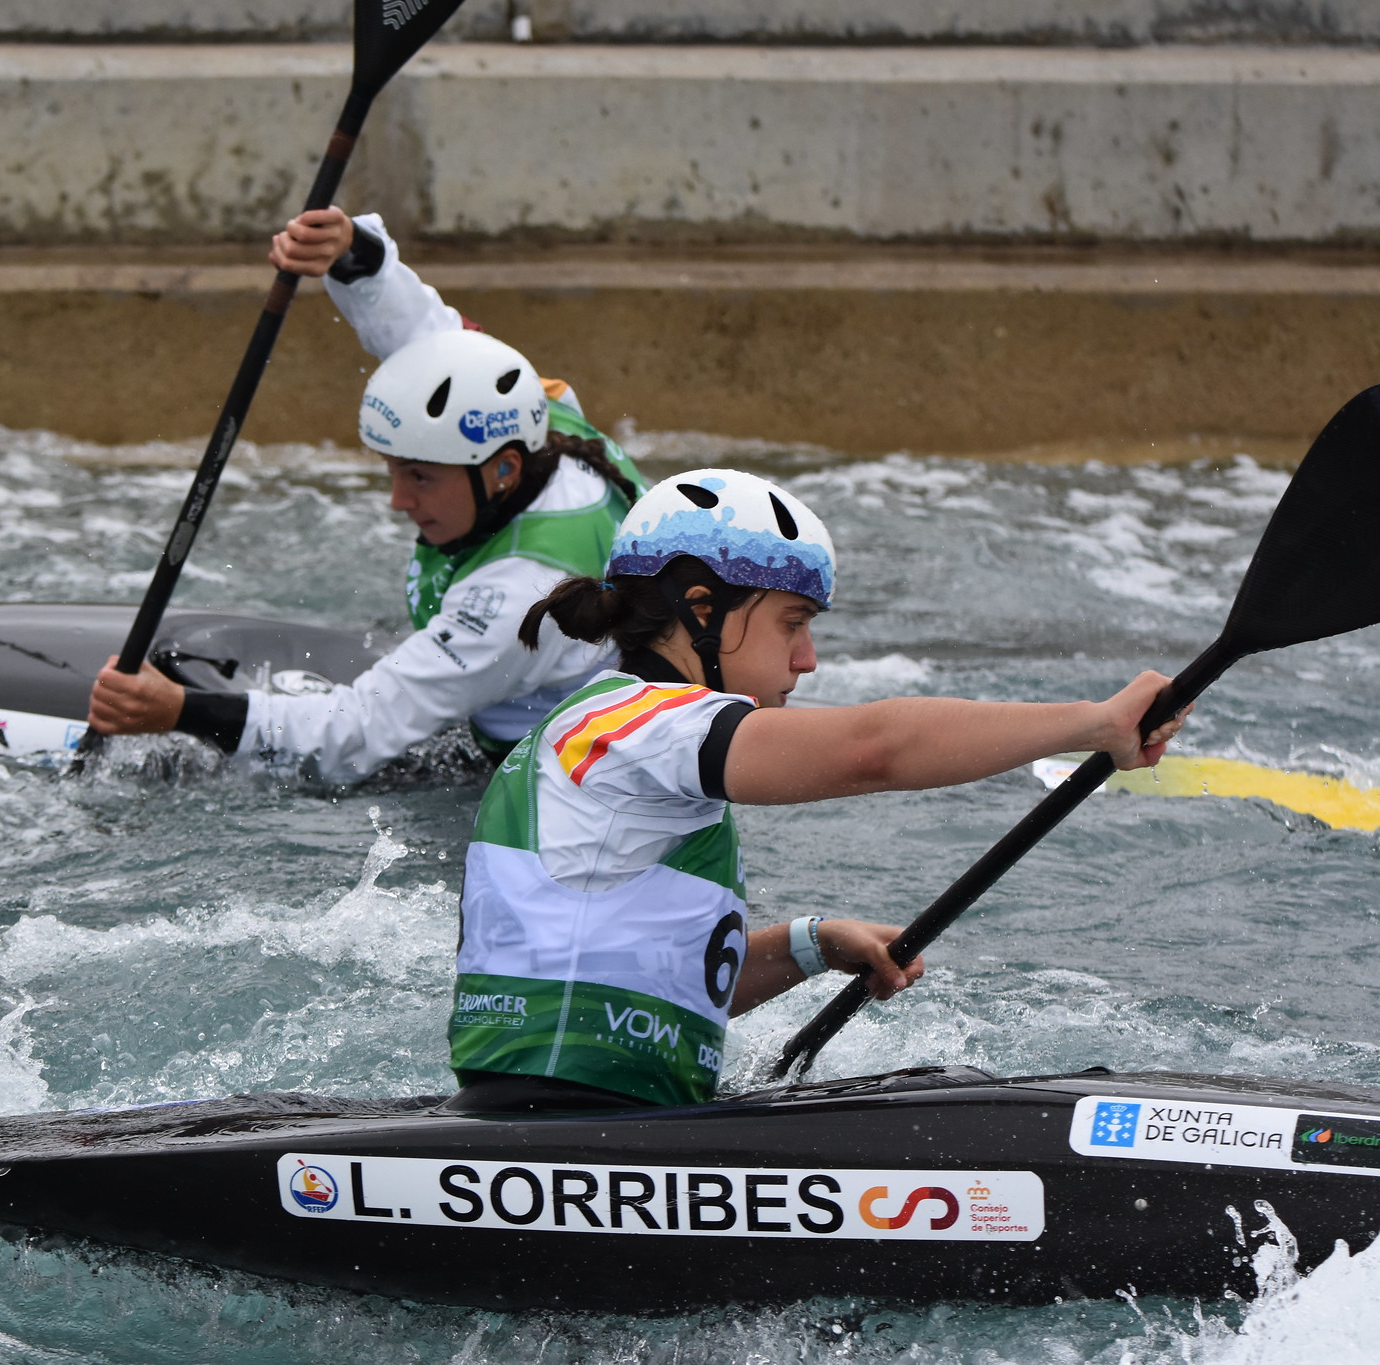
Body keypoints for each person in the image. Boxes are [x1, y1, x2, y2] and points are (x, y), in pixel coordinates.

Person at [445, 469, 1189, 1111]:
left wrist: (810, 945)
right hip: (573, 1117)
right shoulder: (640, 726)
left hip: (559, 1102)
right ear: (701, 610)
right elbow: (876, 750)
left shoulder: (607, 730)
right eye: (792, 622)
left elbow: (631, 988)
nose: (807, 658)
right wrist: (1094, 722)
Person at [87, 227, 646, 782]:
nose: (398, 500)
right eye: (393, 470)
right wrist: (356, 254)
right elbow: (435, 342)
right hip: (556, 686)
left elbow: (354, 735)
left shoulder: (519, 596)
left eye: (420, 477)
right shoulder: (544, 415)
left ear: (503, 469)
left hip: (544, 782)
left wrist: (177, 711)